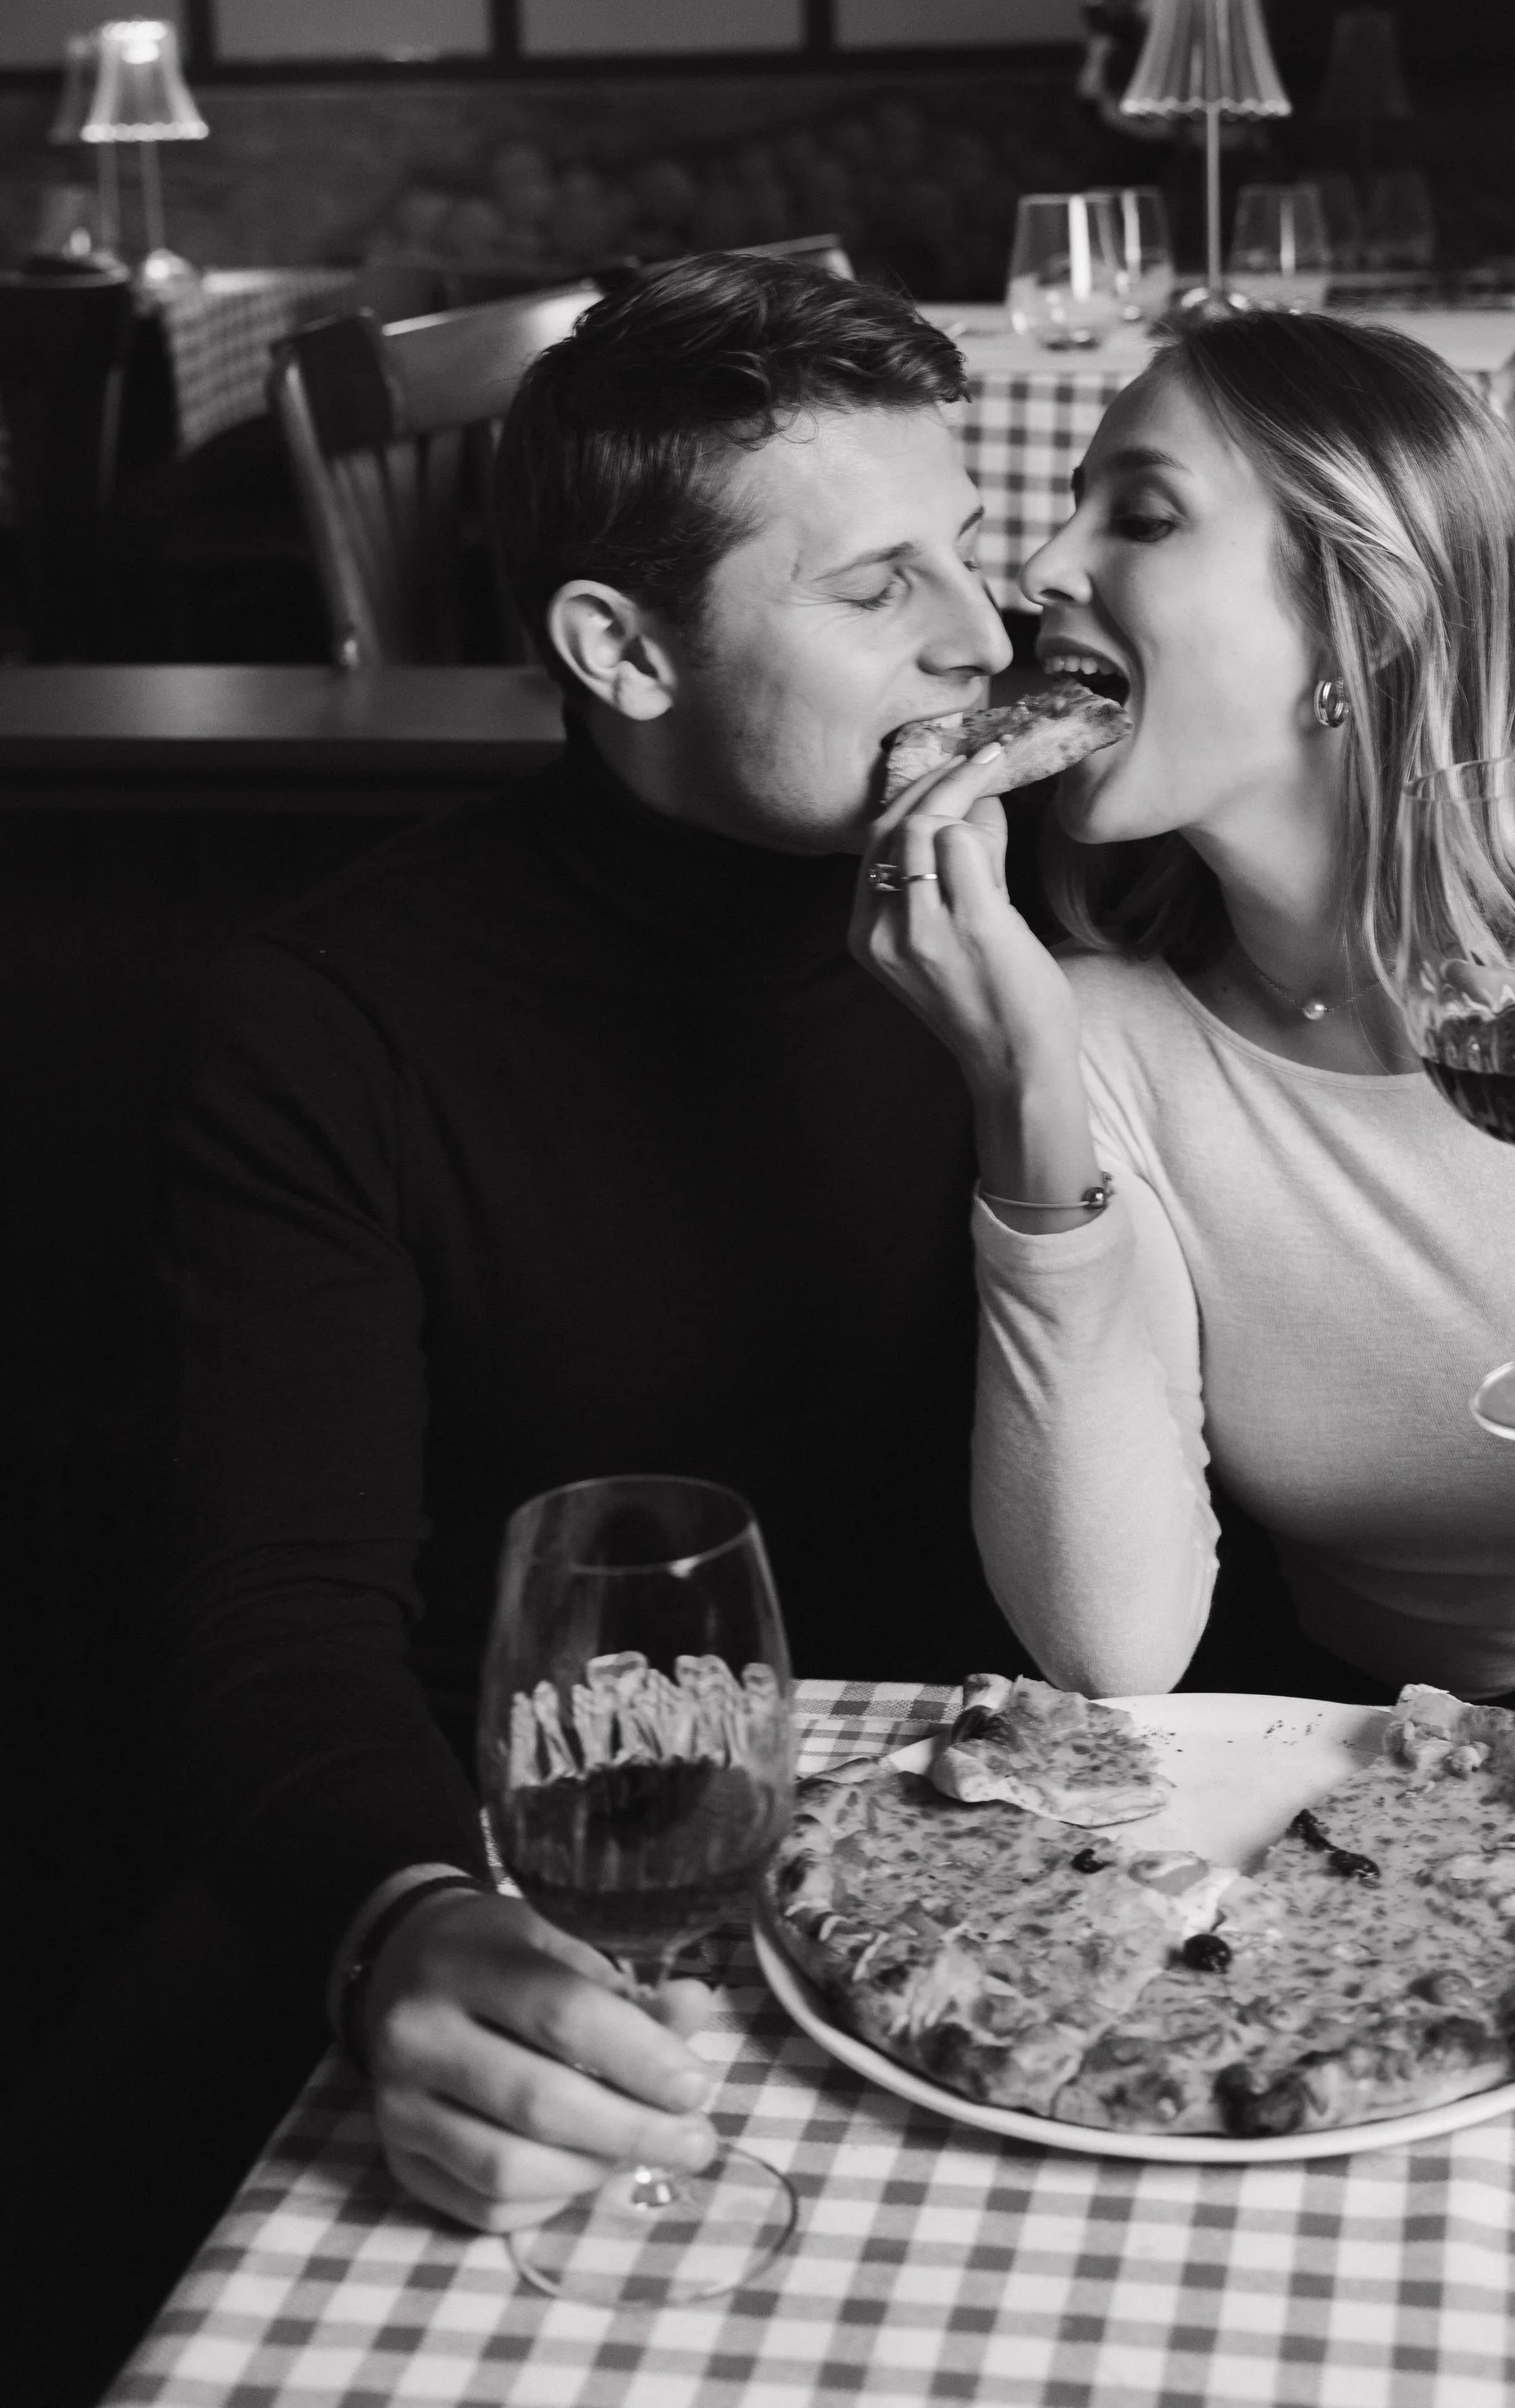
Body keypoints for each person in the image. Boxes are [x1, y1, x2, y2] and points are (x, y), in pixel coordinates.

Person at [143, 260, 1025, 2265]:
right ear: (621, 648)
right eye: (876, 586)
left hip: (1030, 1858)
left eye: (964, 550)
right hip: (582, 1870)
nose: (981, 639)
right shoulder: (334, 1017)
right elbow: (270, 1617)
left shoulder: (1078, 878)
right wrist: (404, 1917)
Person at [857, 308, 1515, 1757]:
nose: (1039, 571)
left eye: (1146, 517)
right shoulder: (1095, 1027)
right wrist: (1024, 1092)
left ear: (1367, 621)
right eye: (1068, 515)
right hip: (1351, 1746)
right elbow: (1106, 1646)